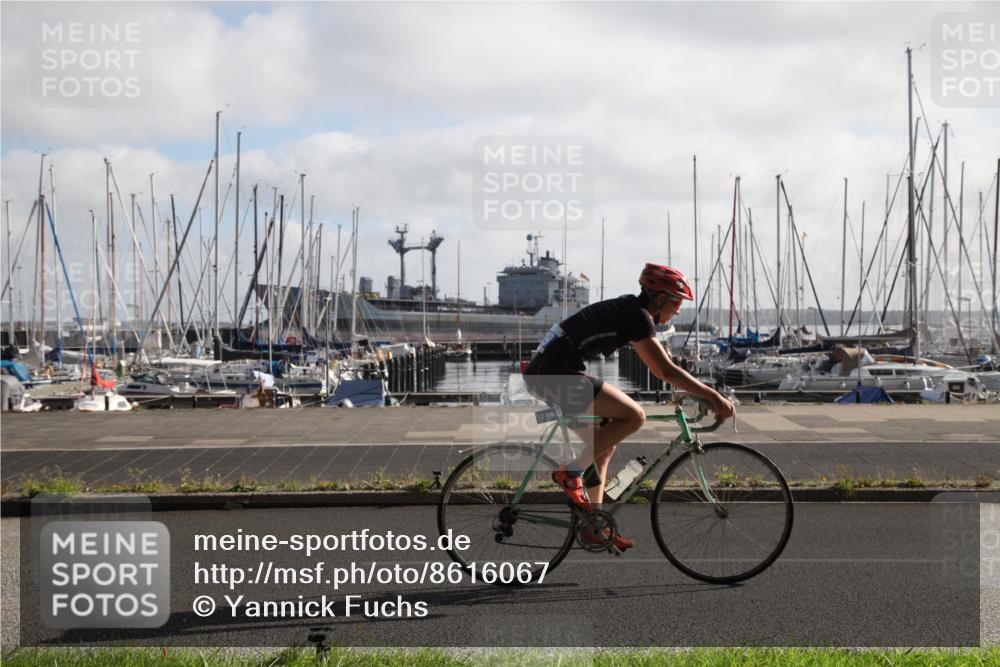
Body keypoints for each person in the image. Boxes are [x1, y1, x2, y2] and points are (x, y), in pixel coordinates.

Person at [522, 263, 735, 550]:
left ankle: (592, 525)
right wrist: (713, 395)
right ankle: (569, 473)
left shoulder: (629, 310)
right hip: (555, 376)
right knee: (634, 416)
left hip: (548, 373)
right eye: (676, 302)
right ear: (659, 298)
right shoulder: (638, 316)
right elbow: (666, 372)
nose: (678, 310)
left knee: (601, 445)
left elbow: (663, 369)